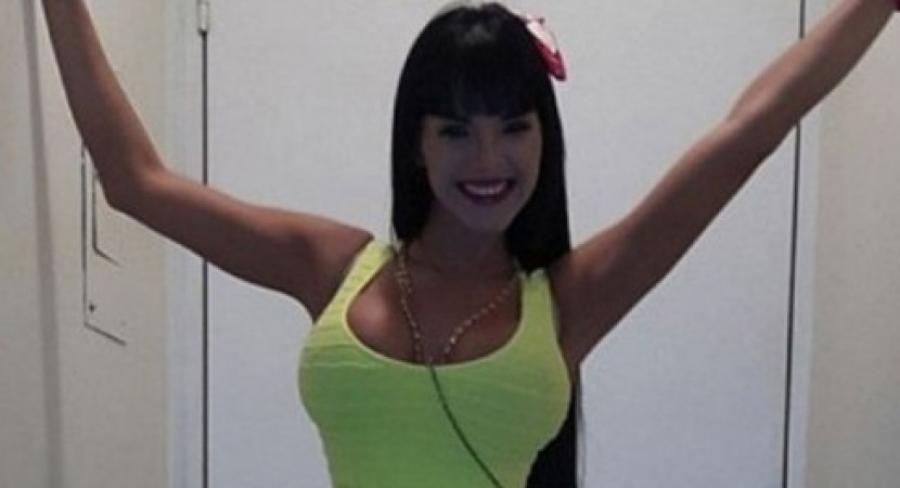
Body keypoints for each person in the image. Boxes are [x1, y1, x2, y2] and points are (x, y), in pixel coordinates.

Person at [40, 0, 897, 486]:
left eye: (513, 128)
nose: (488, 160)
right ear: (416, 145)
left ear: (543, 138)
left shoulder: (568, 301)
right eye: (455, 131)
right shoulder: (332, 266)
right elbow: (134, 181)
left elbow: (751, 131)